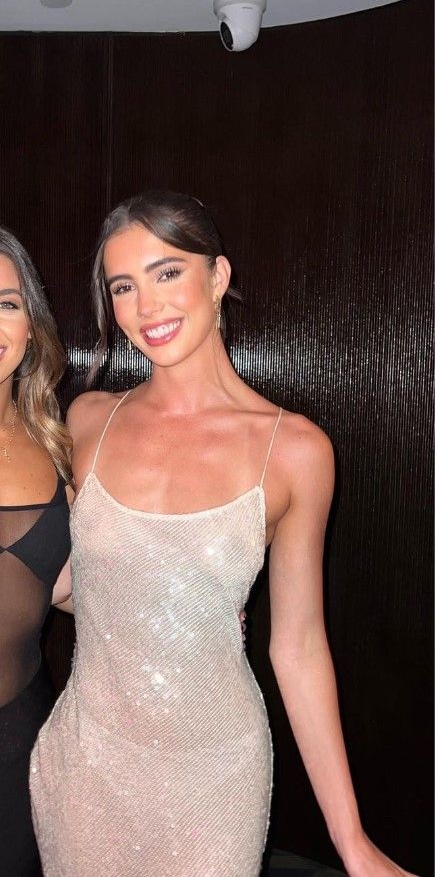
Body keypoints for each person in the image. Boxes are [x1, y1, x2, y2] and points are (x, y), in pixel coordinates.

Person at [30, 192, 417, 877]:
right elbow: (66, 583)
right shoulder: (87, 419)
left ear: (217, 276)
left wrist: (351, 840)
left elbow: (298, 648)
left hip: (214, 779)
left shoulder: (294, 451)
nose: (147, 306)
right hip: (86, 768)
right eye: (123, 286)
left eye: (167, 272)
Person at [0, 227, 72, 876]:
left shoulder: (57, 446)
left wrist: (184, 608)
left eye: (5, 303)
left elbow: (74, 587)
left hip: (20, 741)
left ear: (31, 324)